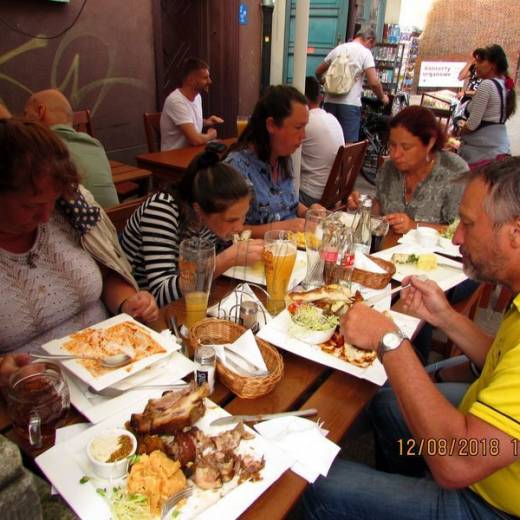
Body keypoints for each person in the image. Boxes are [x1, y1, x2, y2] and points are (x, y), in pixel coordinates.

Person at [304, 156, 520, 519]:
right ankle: (404, 486)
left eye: (467, 224)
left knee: (316, 486)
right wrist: (444, 317)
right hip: (482, 456)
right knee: (388, 405)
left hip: (488, 503)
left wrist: (390, 340)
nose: (457, 237)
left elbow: (457, 462)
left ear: (515, 232)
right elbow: (498, 359)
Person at [0, 118, 159, 355]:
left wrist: (128, 303)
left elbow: (106, 274)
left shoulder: (70, 211)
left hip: (114, 358)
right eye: (31, 206)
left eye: (51, 201)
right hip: (35, 386)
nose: (45, 216)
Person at [121, 144, 264, 307]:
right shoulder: (161, 211)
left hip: (193, 300)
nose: (240, 227)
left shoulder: (209, 216)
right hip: (145, 309)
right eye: (231, 220)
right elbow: (160, 295)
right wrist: (226, 259)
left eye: (243, 217)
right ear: (199, 209)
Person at [348, 105, 468, 235]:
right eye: (392, 145)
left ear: (430, 143)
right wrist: (363, 205)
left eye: (406, 147)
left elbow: (462, 231)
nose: (395, 154)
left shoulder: (454, 171)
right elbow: (381, 209)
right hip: (387, 250)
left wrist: (414, 226)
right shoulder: (389, 169)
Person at [225, 85, 321, 237]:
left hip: (291, 251)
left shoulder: (282, 157)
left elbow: (290, 204)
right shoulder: (237, 167)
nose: (303, 136)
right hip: (258, 255)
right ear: (271, 125)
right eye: (298, 127)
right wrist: (282, 228)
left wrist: (309, 213)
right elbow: (229, 232)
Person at [24, 89, 119, 208]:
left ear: (40, 111)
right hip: (114, 221)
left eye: (25, 113)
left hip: (84, 224)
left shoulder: (38, 149)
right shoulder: (95, 144)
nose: (24, 121)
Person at [315, 26, 389, 142]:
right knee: (348, 146)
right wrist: (382, 97)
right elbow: (374, 82)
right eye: (372, 46)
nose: (371, 49)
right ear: (370, 40)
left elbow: (318, 71)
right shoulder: (365, 53)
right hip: (350, 105)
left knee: (329, 141)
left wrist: (327, 83)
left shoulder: (338, 49)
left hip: (329, 102)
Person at [458, 44, 516, 166]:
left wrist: (458, 133)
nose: (477, 66)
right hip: (499, 149)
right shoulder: (503, 84)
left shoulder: (487, 85)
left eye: (481, 62)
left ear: (492, 65)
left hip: (483, 153)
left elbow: (472, 124)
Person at [299, 76, 345, 207]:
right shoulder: (332, 119)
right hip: (333, 194)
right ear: (320, 98)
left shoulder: (305, 123)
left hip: (311, 196)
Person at [160, 57, 223, 150]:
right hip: (173, 158)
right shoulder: (176, 101)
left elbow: (188, 121)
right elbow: (195, 140)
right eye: (205, 78)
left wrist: (206, 122)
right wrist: (210, 135)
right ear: (190, 80)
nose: (210, 81)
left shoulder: (197, 97)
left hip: (191, 153)